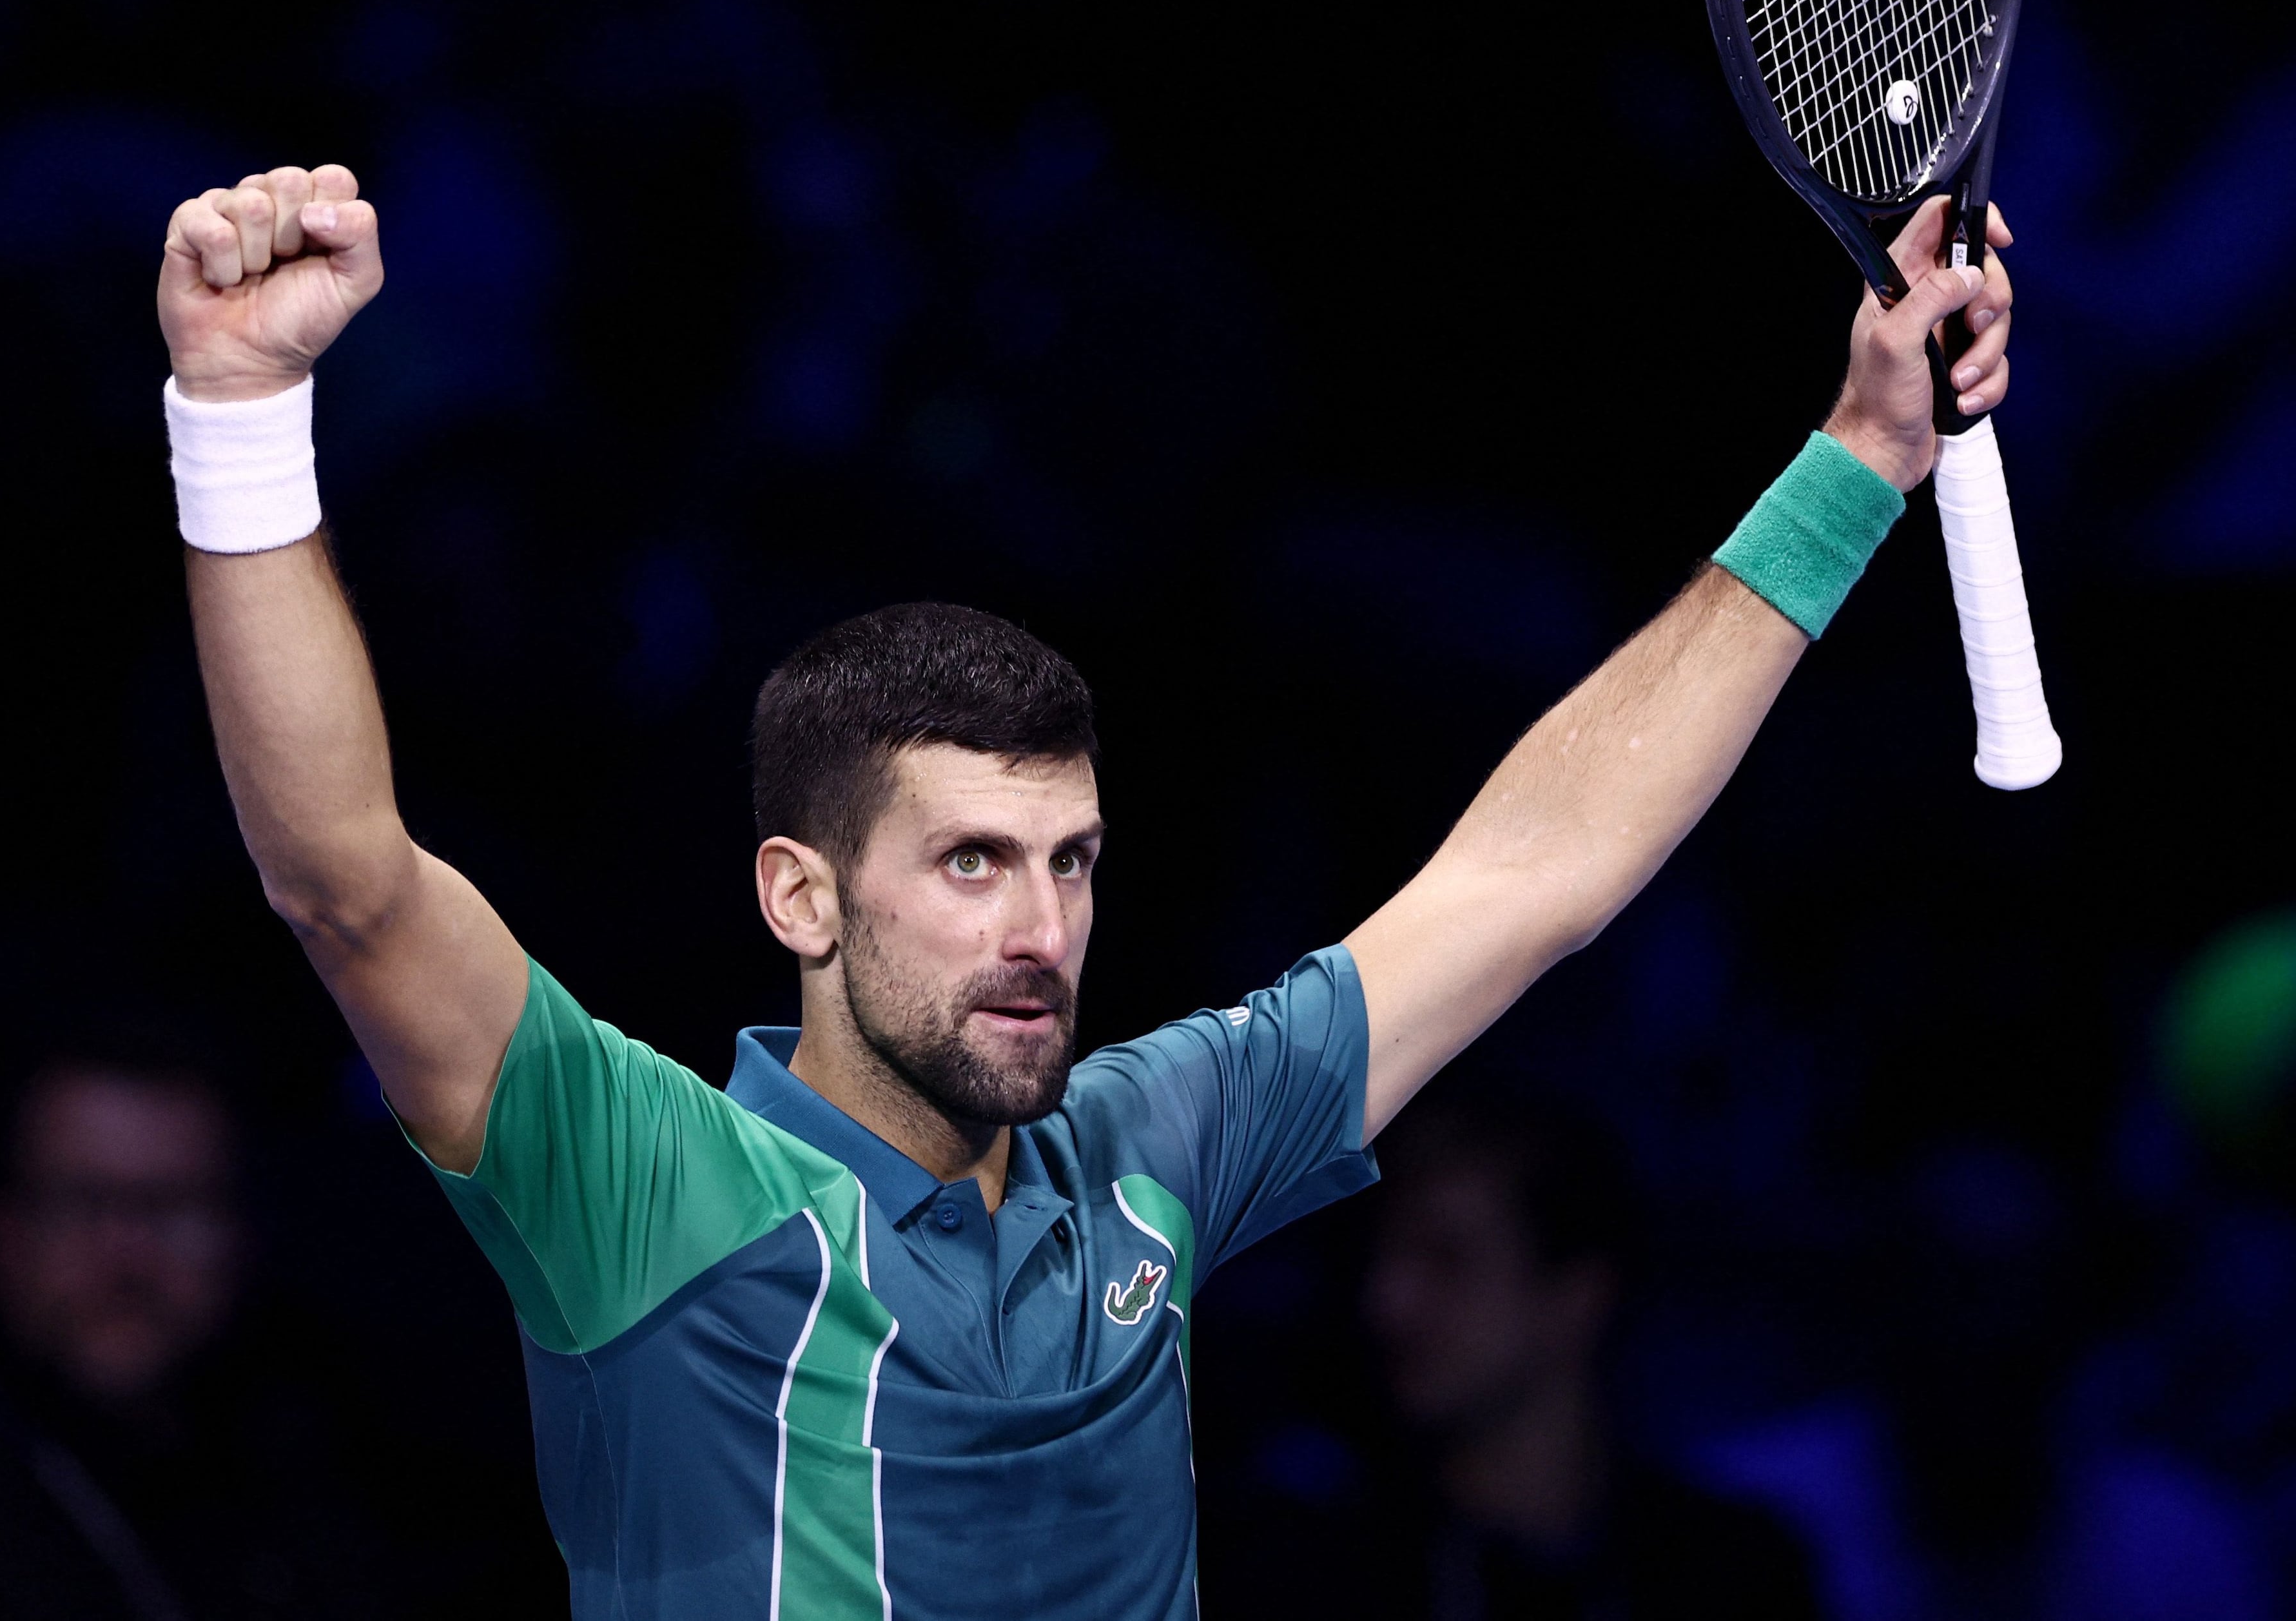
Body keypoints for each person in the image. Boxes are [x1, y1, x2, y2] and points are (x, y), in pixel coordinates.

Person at [151, 161, 2012, 1620]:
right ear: (802, 896)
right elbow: (348, 881)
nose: (1041, 928)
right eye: (971, 862)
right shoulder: (647, 1183)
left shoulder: (1151, 1144)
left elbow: (1538, 868)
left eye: (1071, 863)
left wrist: (1856, 458)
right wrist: (238, 409)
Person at [0, 1038, 393, 1620]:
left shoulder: (342, 1507)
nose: (125, 1254)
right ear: (3, 1234)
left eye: (172, 1205)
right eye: (80, 1201)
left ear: (243, 1233)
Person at [1354, 1098, 1820, 1619]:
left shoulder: (1731, 1575)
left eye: (1448, 1258)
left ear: (1580, 1294)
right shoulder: (1326, 1571)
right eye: (1383, 1254)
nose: (1388, 1299)